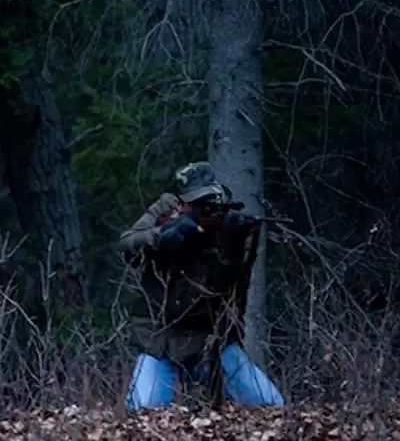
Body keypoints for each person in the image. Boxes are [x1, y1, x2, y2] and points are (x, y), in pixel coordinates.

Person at [117, 161, 285, 411]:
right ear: (182, 202)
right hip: (161, 341)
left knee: (269, 404)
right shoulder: (166, 209)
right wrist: (164, 236)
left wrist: (237, 241)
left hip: (210, 340)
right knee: (144, 410)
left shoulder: (226, 225)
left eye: (206, 201)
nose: (202, 209)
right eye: (194, 203)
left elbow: (237, 285)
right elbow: (127, 246)